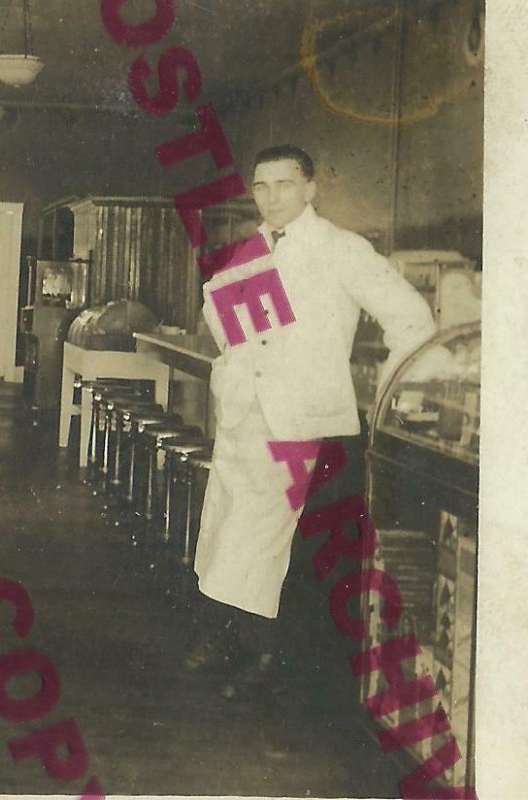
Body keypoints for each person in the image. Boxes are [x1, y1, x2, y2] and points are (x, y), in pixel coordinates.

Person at [187, 144, 435, 683]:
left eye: (284, 185)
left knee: (264, 539)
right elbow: (226, 326)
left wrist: (388, 397)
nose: (271, 197)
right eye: (261, 186)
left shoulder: (341, 250)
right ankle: (229, 642)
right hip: (242, 417)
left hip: (301, 421)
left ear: (310, 190)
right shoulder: (247, 252)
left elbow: (413, 320)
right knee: (230, 529)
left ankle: (257, 654)